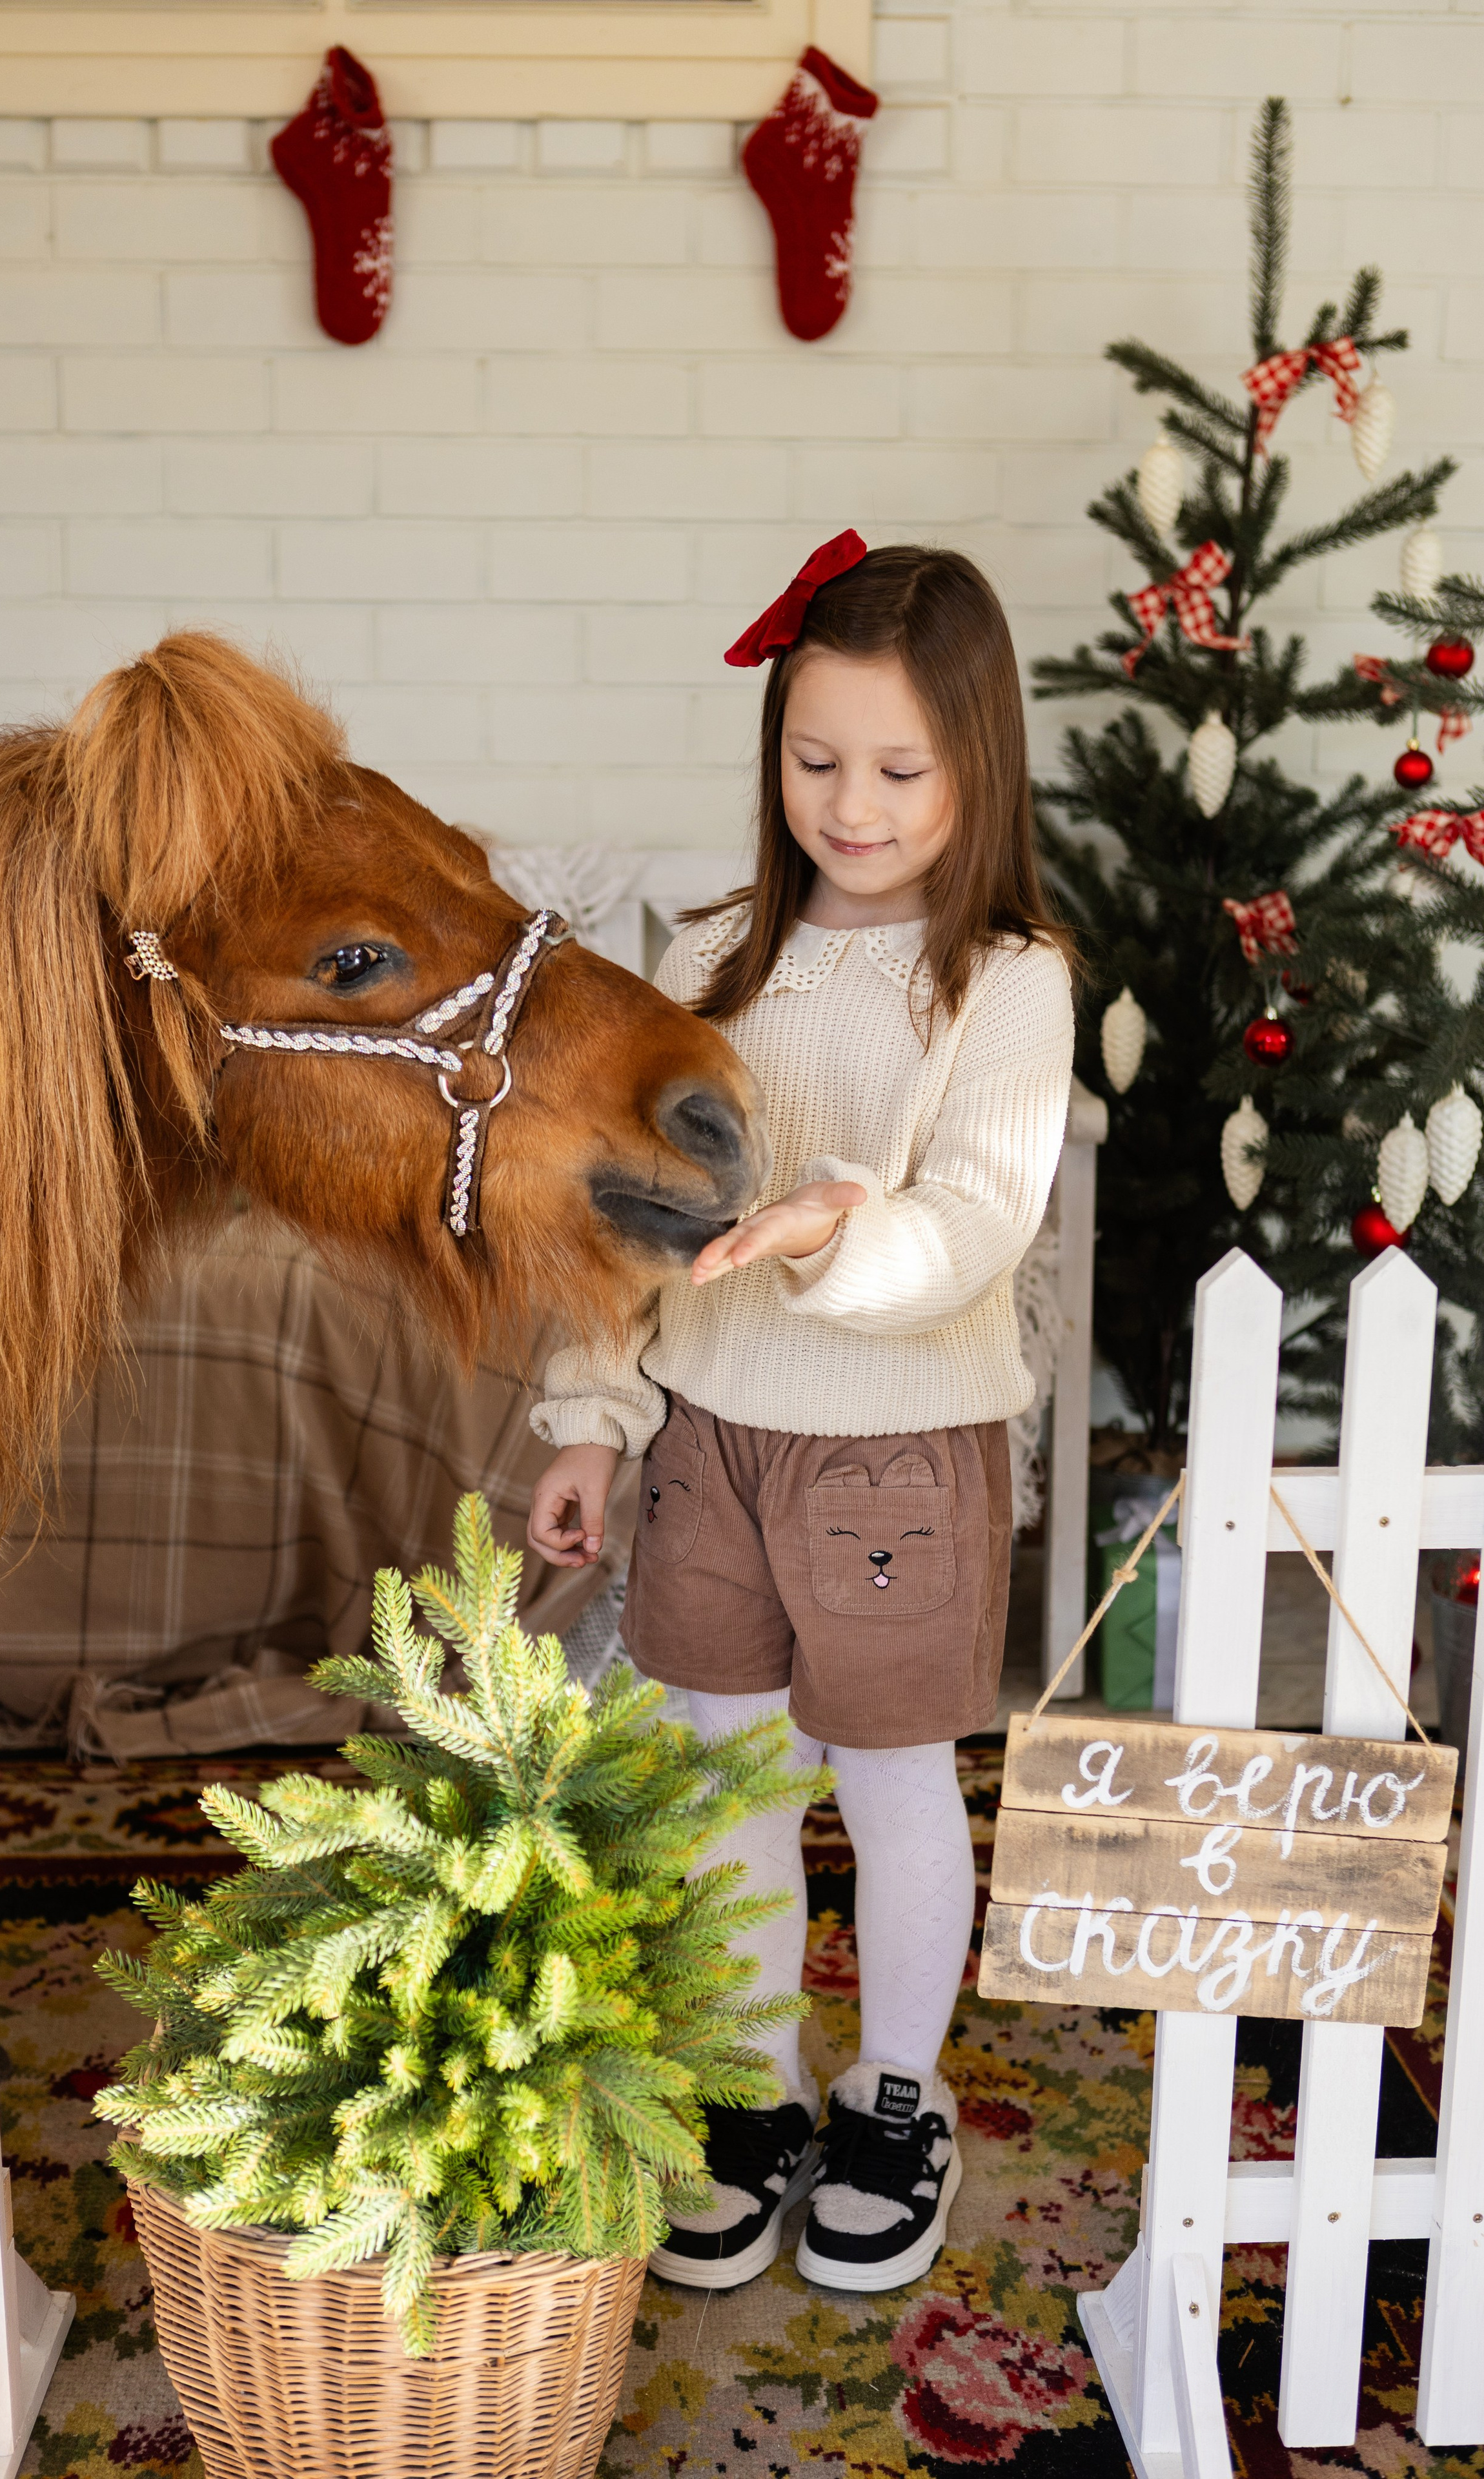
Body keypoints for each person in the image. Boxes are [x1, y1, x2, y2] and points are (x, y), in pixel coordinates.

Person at [527, 535, 1075, 2296]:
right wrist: (592, 1422)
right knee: (721, 1773)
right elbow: (620, 1220)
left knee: (897, 1783)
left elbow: (982, 1219)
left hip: (902, 1452)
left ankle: (895, 2099)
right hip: (715, 1446)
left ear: (979, 761)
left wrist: (841, 1227)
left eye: (901, 770)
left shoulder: (1005, 981)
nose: (852, 804)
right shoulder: (704, 959)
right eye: (814, 759)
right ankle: (755, 2092)